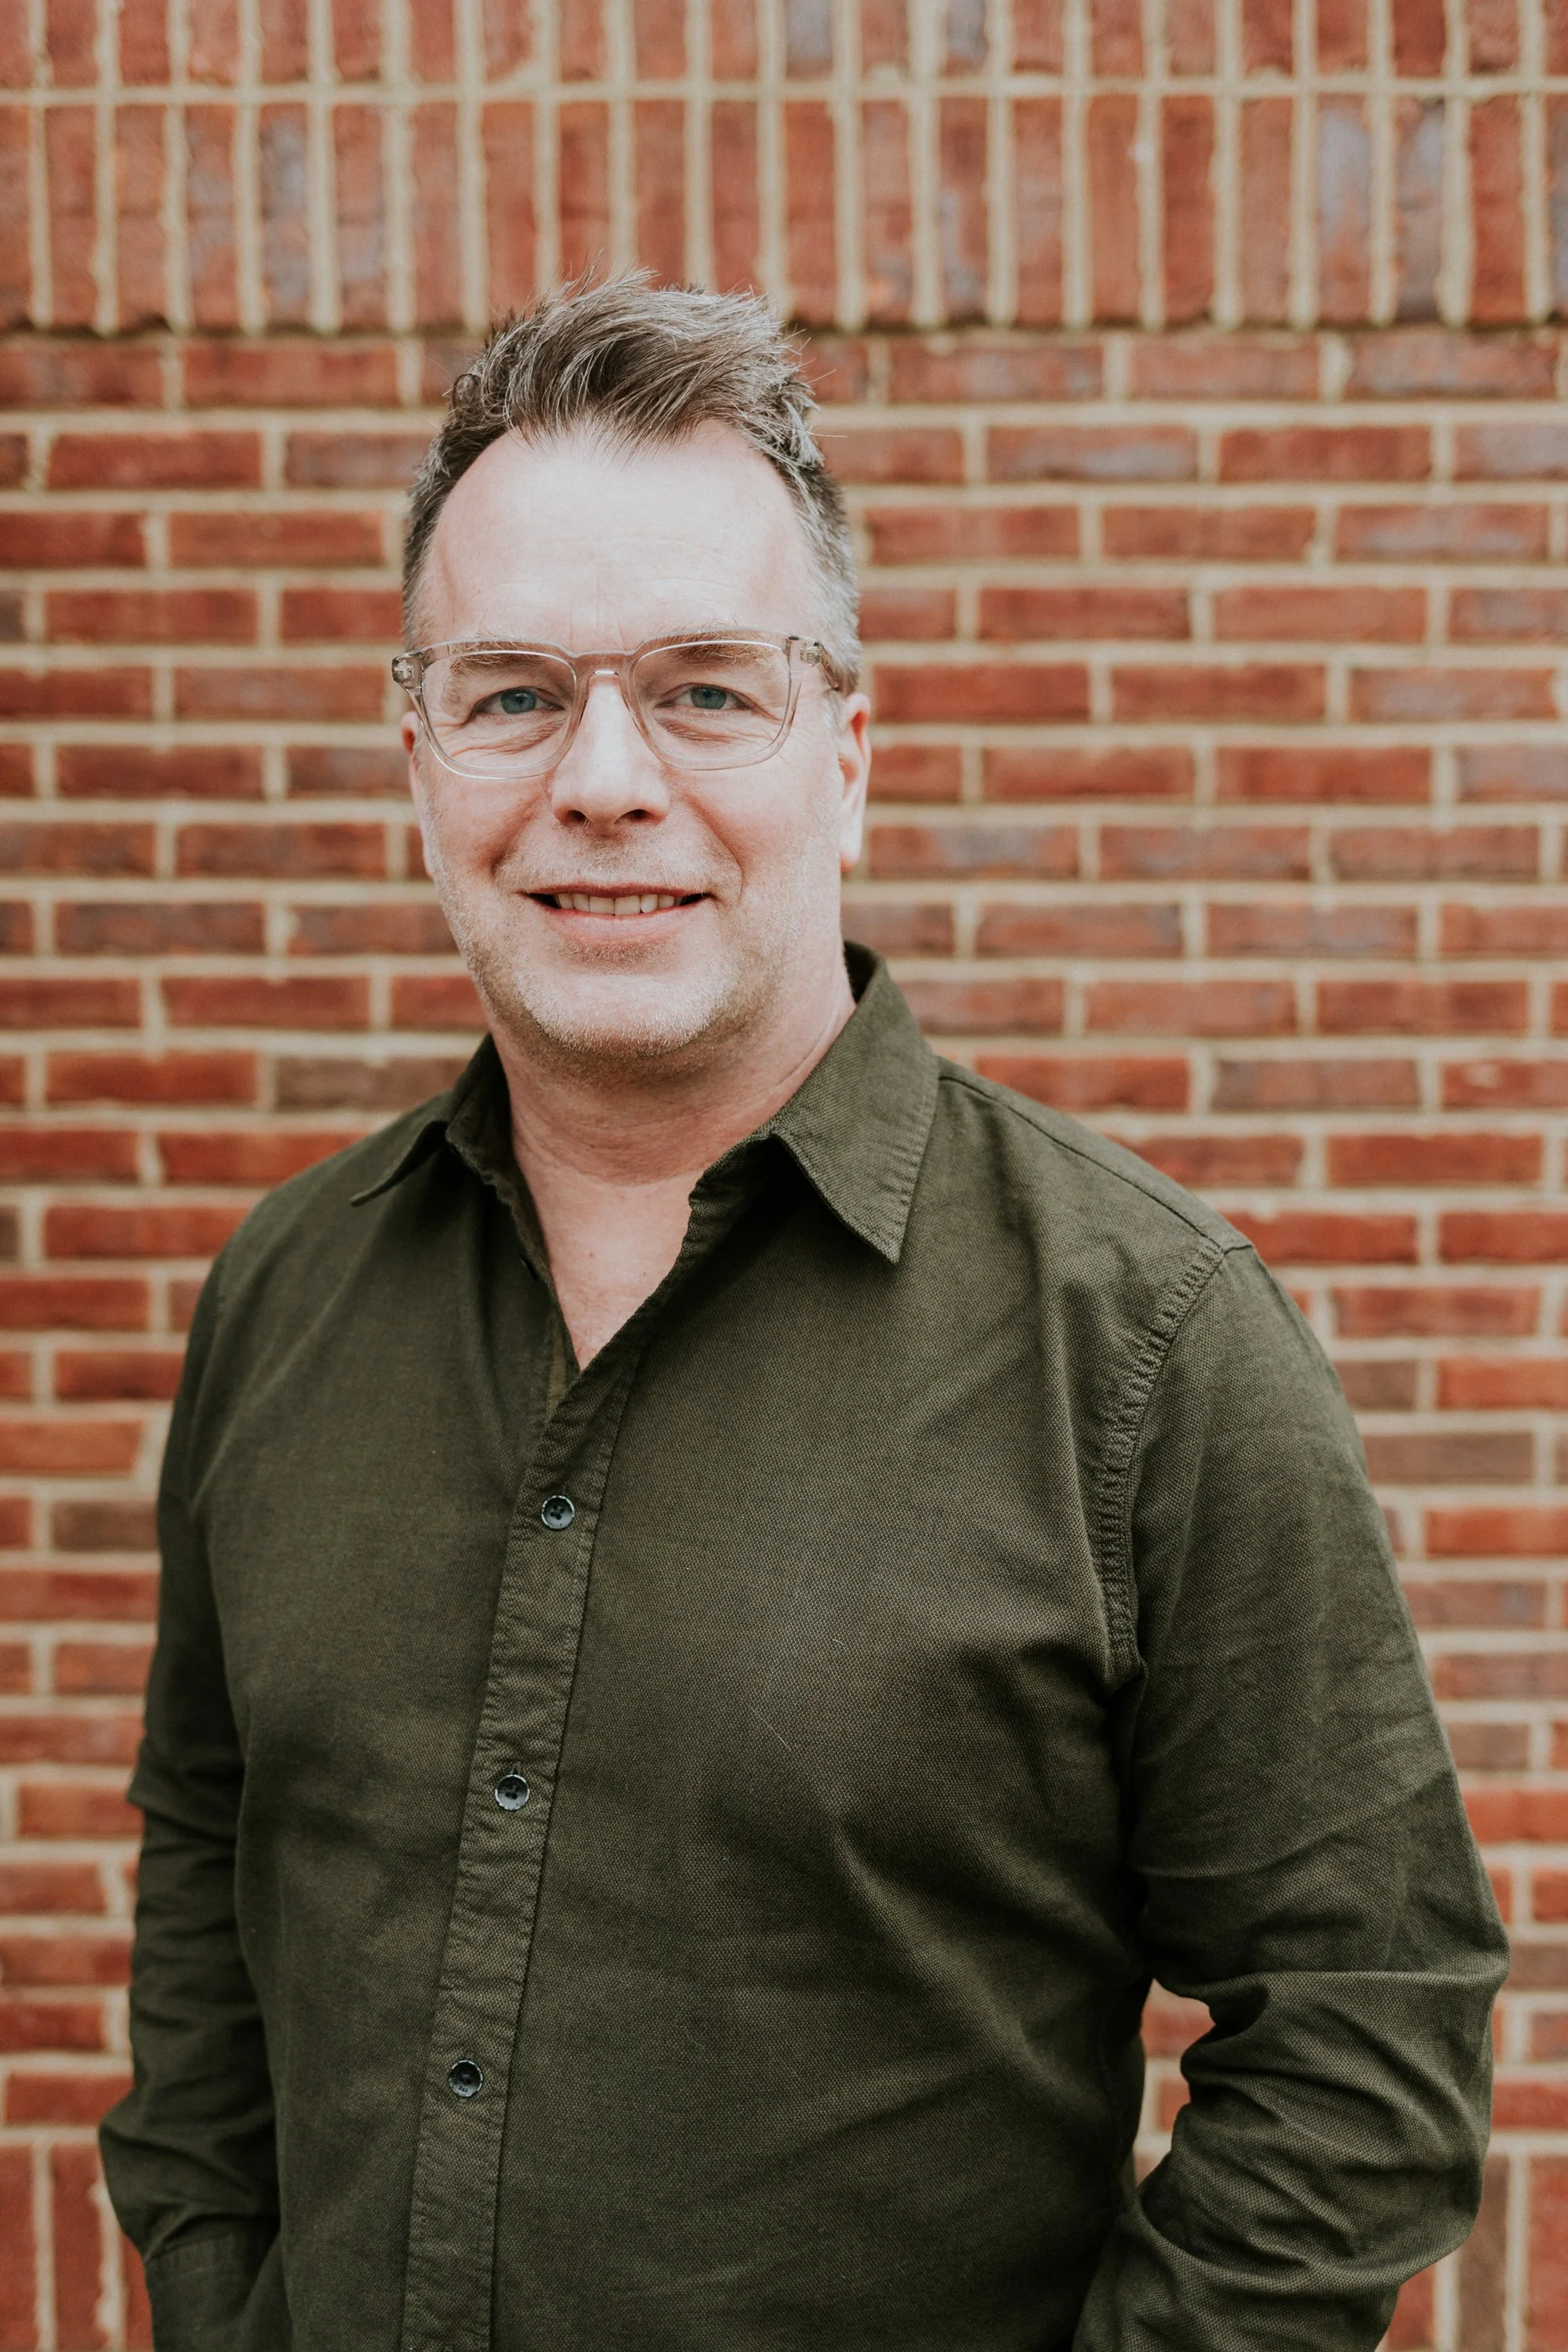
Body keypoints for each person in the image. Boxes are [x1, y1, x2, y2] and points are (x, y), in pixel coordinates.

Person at [102, 278, 1508, 2352]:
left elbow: (1369, 2039)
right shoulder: (286, 1292)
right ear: (417, 757)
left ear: (846, 752)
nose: (599, 779)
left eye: (705, 689)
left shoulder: (1144, 1337)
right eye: (510, 693)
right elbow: (213, 1904)